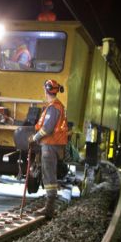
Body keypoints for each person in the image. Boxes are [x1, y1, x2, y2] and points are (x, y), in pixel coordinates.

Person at [30, 79, 68, 218]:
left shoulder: (54, 107)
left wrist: (34, 138)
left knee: (49, 174)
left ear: (46, 90)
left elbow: (47, 128)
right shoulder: (55, 106)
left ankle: (49, 208)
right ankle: (49, 207)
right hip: (51, 144)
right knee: (48, 173)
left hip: (50, 144)